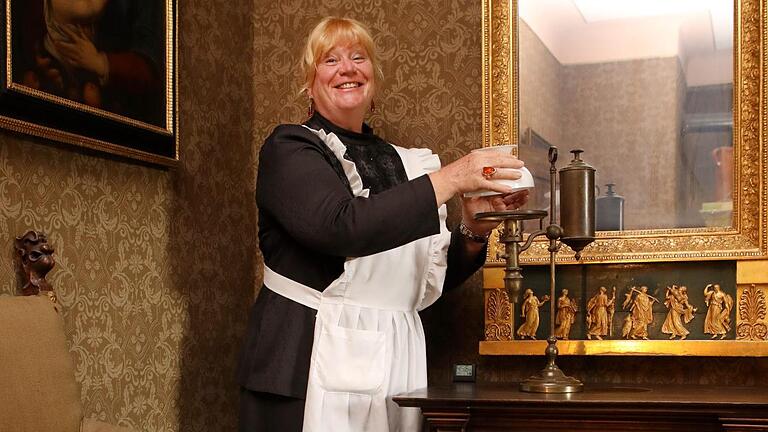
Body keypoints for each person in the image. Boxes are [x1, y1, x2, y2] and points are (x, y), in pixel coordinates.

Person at [237, 17, 529, 432]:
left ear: (373, 77)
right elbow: (340, 226)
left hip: (397, 360)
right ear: (309, 82)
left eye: (359, 57)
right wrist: (452, 176)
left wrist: (473, 226)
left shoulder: (409, 163)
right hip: (306, 363)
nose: (348, 68)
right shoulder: (289, 148)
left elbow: (421, 283)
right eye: (330, 59)